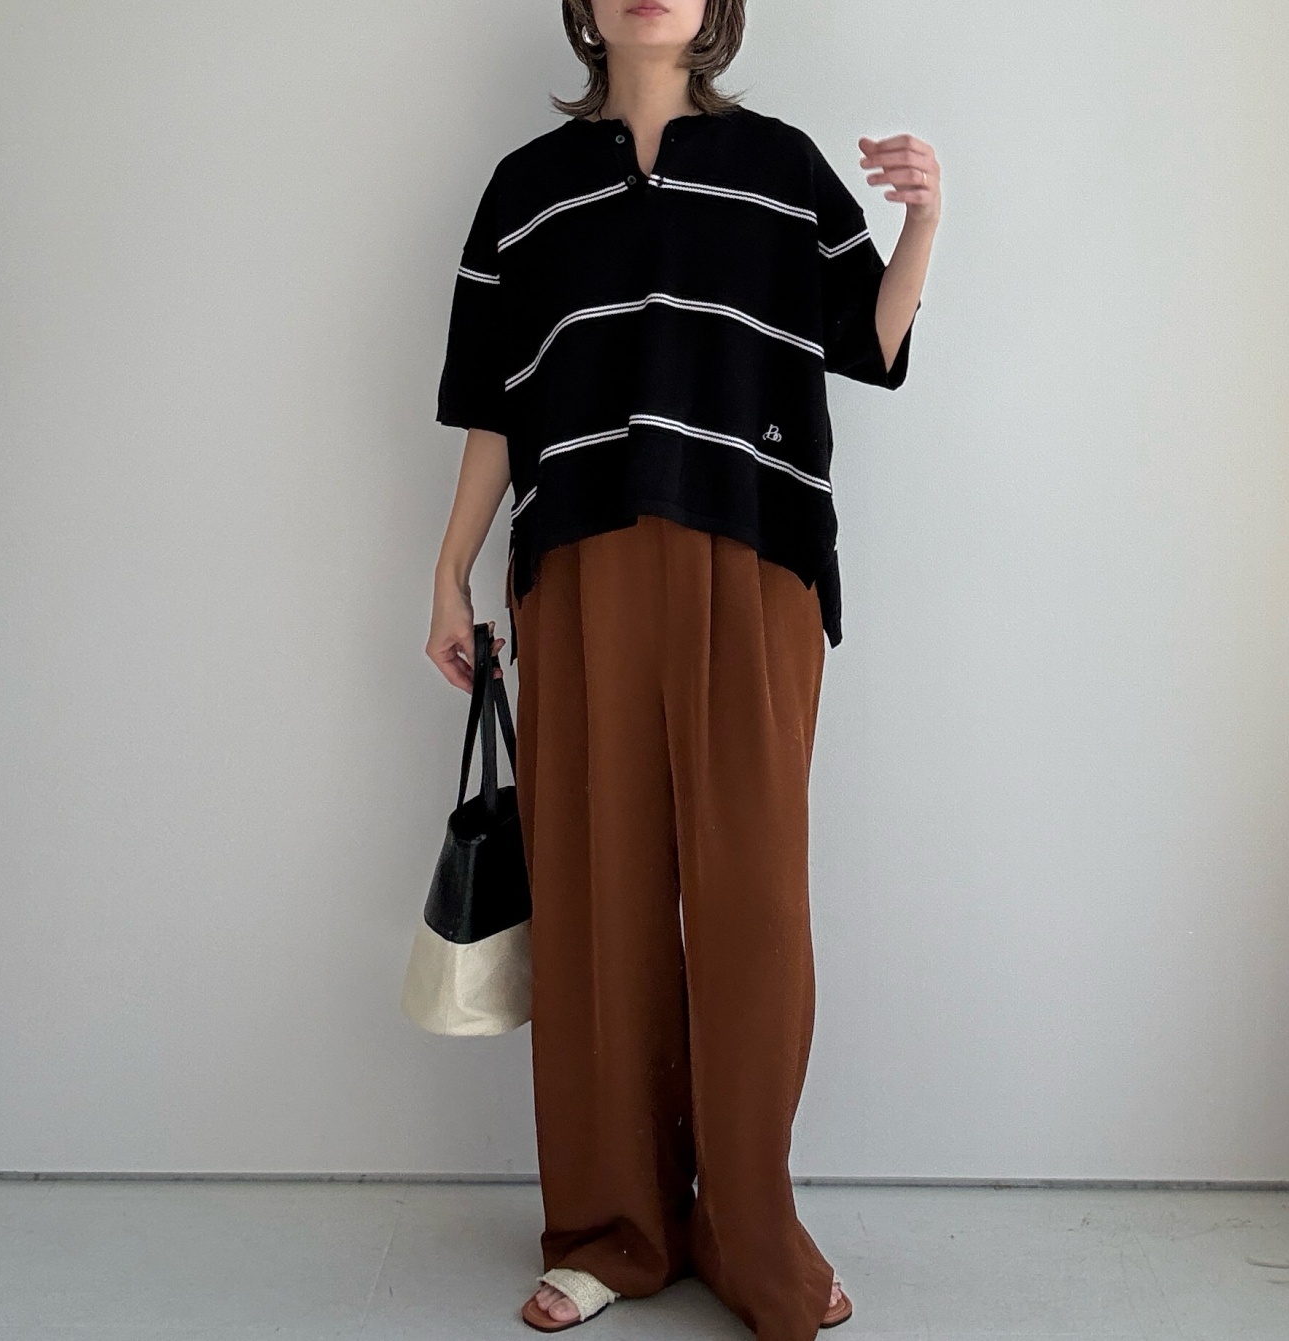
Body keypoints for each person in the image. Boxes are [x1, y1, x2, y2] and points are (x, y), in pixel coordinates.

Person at [425, 2, 939, 1336]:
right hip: (580, 562)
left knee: (751, 901)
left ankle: (750, 1224)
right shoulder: (527, 190)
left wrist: (924, 224)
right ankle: (615, 1227)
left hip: (754, 556)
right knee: (598, 898)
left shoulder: (779, 166)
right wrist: (451, 571)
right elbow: (494, 403)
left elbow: (867, 343)